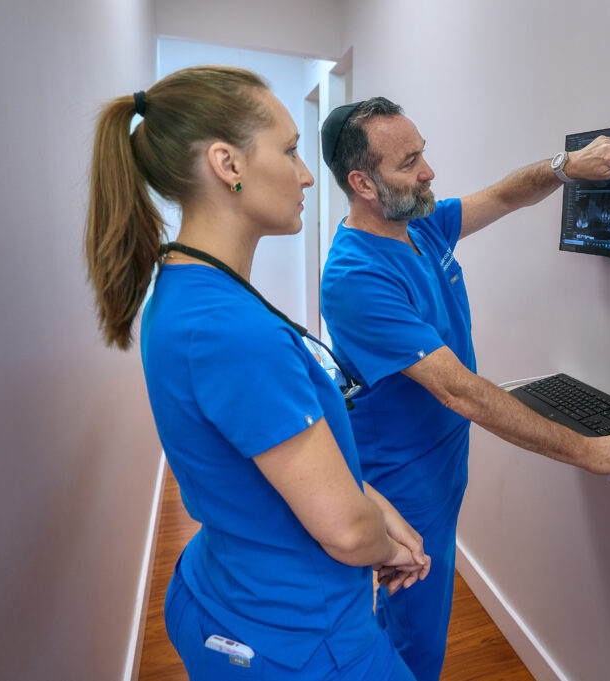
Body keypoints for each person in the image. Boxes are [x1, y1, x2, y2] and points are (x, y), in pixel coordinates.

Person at [84, 66, 431, 680]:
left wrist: (379, 510)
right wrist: (389, 545)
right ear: (228, 163)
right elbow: (347, 535)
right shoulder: (232, 332)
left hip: (227, 592)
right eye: (292, 150)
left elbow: (292, 468)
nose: (304, 174)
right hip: (299, 639)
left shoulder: (189, 289)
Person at [318, 97, 610, 680]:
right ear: (363, 182)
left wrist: (564, 166)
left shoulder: (419, 225)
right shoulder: (357, 276)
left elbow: (507, 196)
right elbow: (461, 392)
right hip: (400, 477)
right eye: (409, 163)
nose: (428, 171)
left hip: (441, 460)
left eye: (423, 153)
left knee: (410, 624)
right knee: (415, 641)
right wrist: (586, 449)